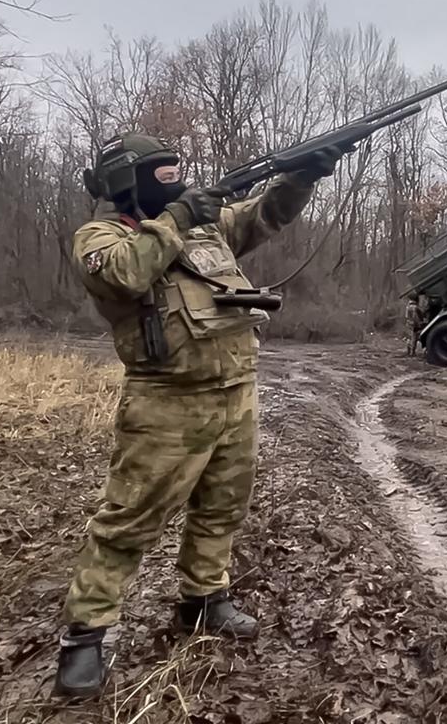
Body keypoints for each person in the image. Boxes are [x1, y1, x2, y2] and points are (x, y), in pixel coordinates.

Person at [54, 132, 339, 698]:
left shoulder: (207, 228)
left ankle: (204, 600)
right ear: (125, 183)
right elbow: (126, 276)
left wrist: (303, 176)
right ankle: (86, 637)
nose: (175, 178)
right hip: (165, 401)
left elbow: (263, 215)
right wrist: (179, 217)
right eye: (161, 171)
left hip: (236, 393)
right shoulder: (102, 237)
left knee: (222, 508)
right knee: (128, 522)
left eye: (176, 170)